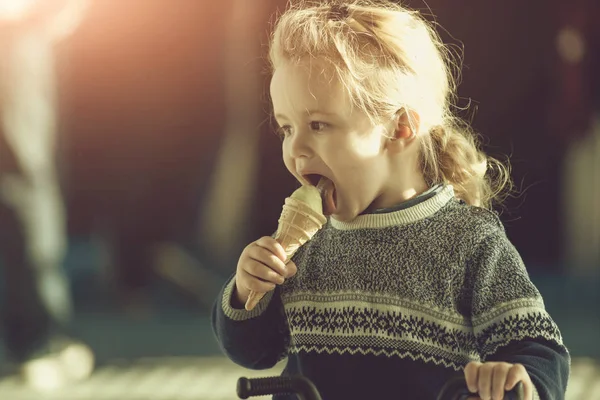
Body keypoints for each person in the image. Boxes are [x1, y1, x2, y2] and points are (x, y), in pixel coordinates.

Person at [211, 1, 570, 399]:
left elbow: (539, 350)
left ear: (400, 127)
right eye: (286, 128)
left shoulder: (469, 243)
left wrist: (515, 381)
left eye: (318, 125)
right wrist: (247, 293)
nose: (296, 148)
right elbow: (255, 352)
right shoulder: (302, 248)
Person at [0, 0, 93, 390]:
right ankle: (39, 339)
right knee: (23, 176)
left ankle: (41, 336)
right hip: (13, 28)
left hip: (17, 26)